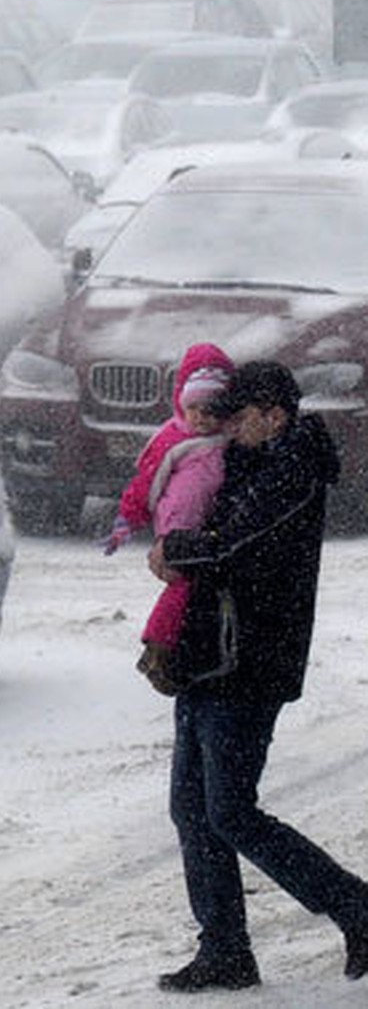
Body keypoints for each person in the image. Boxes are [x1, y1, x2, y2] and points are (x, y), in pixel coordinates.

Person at [147, 360, 368, 992]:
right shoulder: (248, 460)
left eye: (239, 418)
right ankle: (224, 949)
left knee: (232, 812)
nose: (229, 431)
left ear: (274, 415)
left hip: (250, 665)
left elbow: (232, 543)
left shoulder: (293, 469)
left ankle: (355, 906)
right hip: (208, 658)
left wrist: (179, 548)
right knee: (192, 810)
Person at [103, 342, 235, 695]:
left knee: (197, 588)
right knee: (183, 584)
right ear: (181, 402)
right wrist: (126, 522)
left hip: (209, 525)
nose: (201, 417)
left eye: (211, 409)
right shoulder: (174, 439)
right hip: (179, 526)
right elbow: (147, 483)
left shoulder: (230, 436)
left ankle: (177, 647)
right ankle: (159, 645)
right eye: (193, 408)